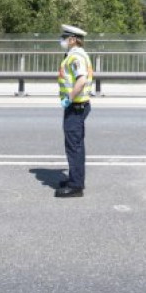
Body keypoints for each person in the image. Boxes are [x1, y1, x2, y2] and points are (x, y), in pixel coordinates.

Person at [55, 24, 94, 198]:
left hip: (76, 106)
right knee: (75, 145)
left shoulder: (76, 56)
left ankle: (76, 186)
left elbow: (81, 80)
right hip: (78, 105)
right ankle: (75, 178)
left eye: (64, 38)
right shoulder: (77, 54)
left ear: (72, 39)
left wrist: (69, 98)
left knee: (74, 146)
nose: (62, 40)